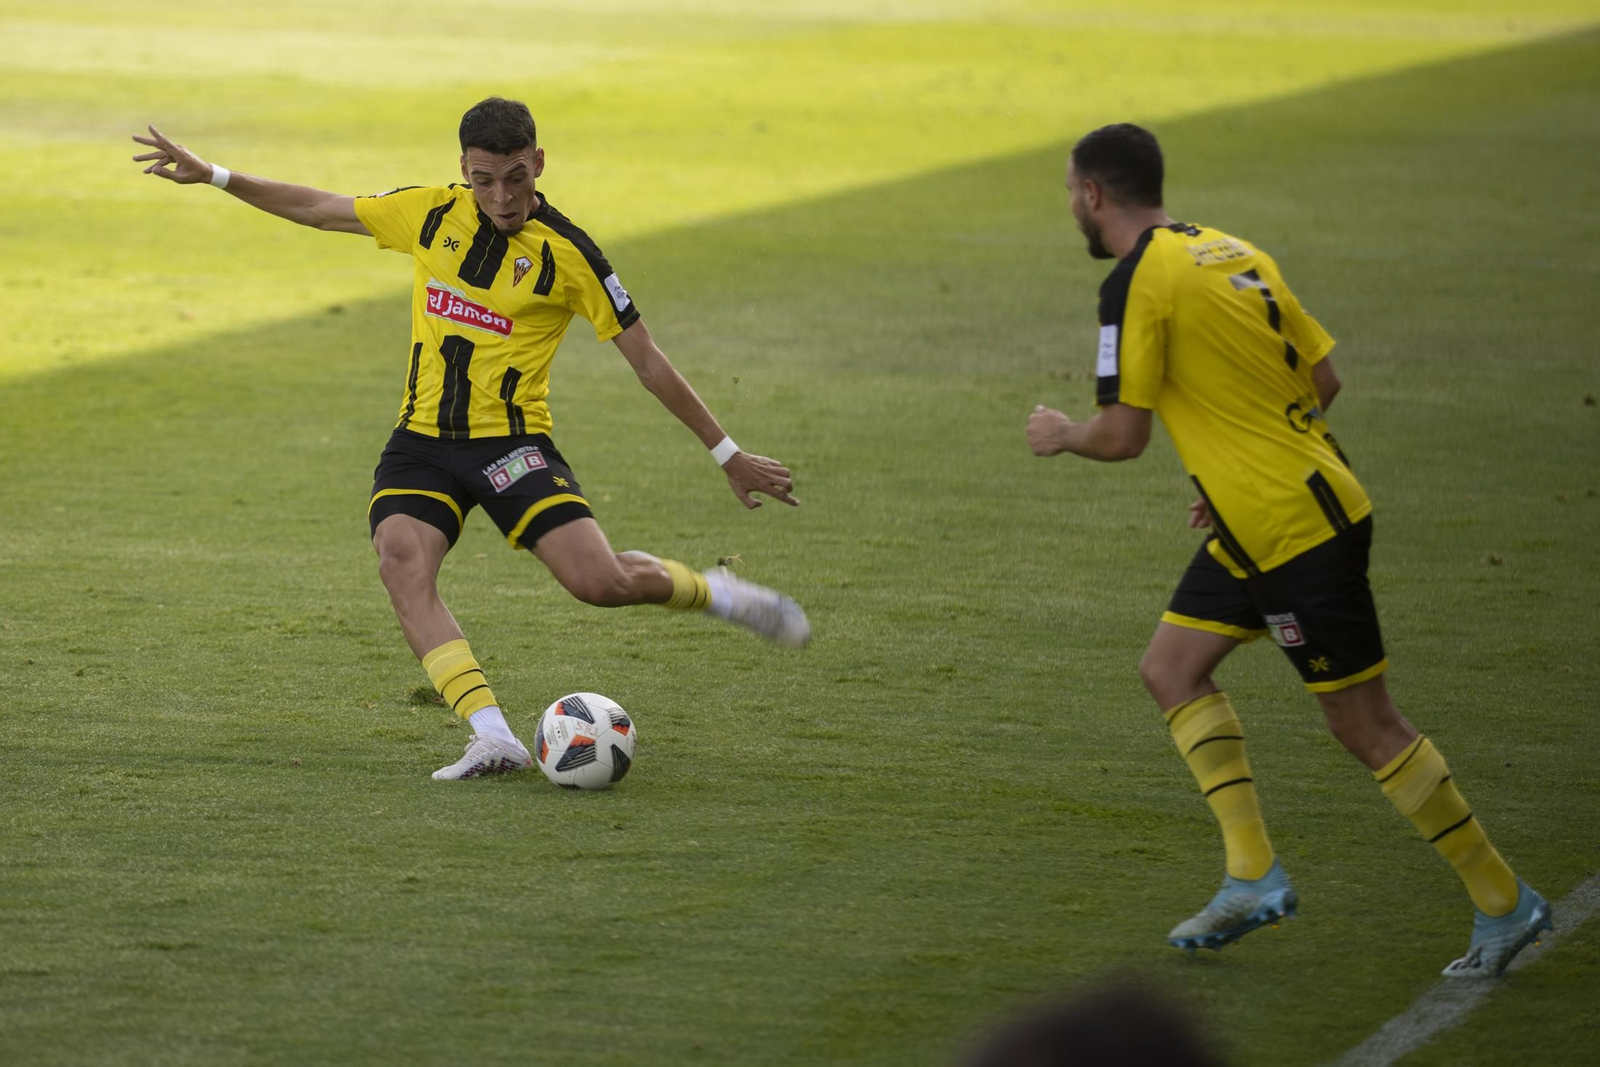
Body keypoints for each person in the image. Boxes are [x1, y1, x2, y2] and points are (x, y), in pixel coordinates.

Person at [131, 97, 809, 781]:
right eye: (484, 179)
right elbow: (317, 207)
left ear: (538, 163)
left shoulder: (572, 254)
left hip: (511, 444)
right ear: (464, 170)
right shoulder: (430, 214)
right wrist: (216, 174)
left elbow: (646, 359)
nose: (502, 195)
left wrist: (729, 453)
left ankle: (716, 592)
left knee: (598, 583)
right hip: (421, 440)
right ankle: (494, 736)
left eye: (516, 176)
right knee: (401, 559)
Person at [1026, 123, 1551, 977]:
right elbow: (1324, 378)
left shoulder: (1134, 281)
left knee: (1365, 724)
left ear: (1093, 194)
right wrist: (1238, 461)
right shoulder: (1231, 247)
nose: (1071, 207)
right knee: (1171, 667)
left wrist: (1063, 433)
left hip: (1290, 532)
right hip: (1276, 508)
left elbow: (1123, 437)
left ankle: (1504, 899)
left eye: (1069, 192)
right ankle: (1251, 874)